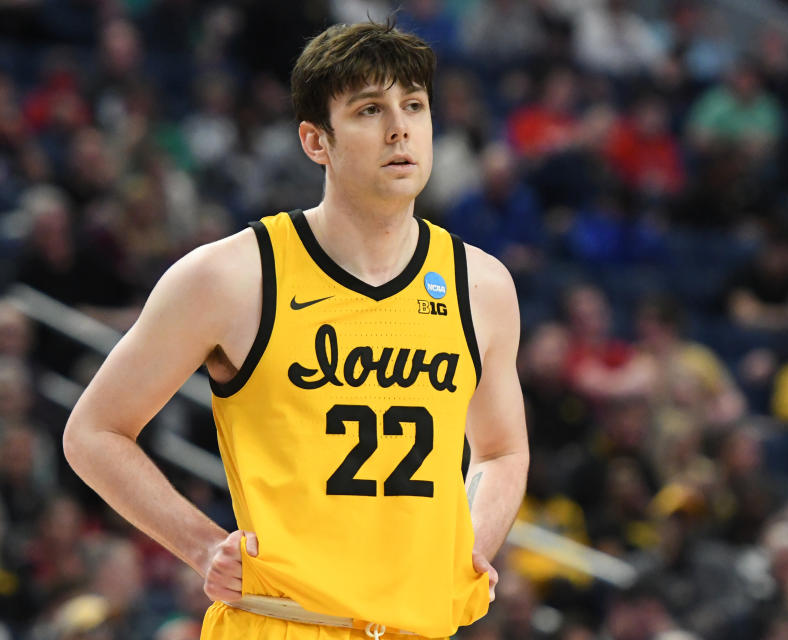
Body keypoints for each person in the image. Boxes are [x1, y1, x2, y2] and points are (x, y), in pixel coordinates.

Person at [63, 21, 529, 640]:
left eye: (414, 106)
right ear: (316, 141)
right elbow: (93, 431)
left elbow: (501, 451)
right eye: (370, 110)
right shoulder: (230, 277)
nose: (400, 128)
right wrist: (202, 546)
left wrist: (471, 541)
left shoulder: (482, 285)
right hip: (283, 621)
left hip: (420, 628)